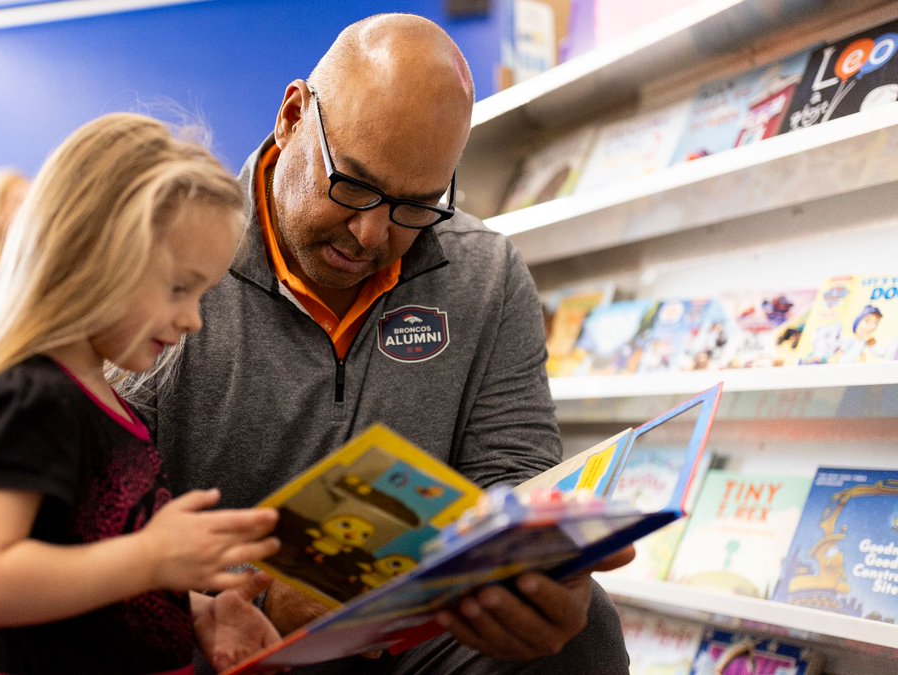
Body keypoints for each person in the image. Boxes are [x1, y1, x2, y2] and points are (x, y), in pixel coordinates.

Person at [143, 14, 633, 674]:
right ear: (292, 117)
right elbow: (82, 526)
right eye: (354, 185)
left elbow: (511, 478)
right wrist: (248, 591)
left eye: (417, 204)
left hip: (409, 641)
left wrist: (546, 579)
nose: (372, 234)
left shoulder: (485, 275)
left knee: (587, 628)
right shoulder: (164, 263)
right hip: (215, 631)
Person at [0, 113, 283, 675]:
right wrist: (151, 557)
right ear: (94, 255)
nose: (194, 320)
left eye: (203, 295)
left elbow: (87, 565)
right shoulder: (32, 400)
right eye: (178, 288)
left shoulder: (107, 404)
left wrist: (195, 609)